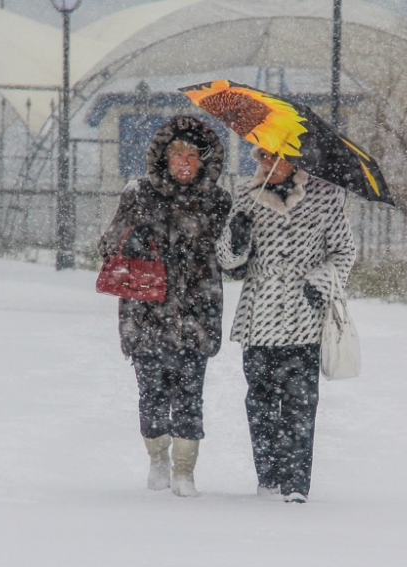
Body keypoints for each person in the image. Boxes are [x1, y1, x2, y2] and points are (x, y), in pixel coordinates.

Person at [97, 115, 231, 497]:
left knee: (190, 394)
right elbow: (107, 244)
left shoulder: (218, 201)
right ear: (164, 158)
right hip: (146, 316)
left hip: (196, 315)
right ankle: (158, 458)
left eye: (192, 155)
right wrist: (130, 240)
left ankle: (184, 470)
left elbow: (234, 263)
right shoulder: (138, 195)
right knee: (152, 393)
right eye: (177, 155)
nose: (185, 163)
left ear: (204, 160)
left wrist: (236, 240)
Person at [216, 146, 356, 503]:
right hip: (259, 315)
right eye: (262, 156)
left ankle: (295, 484)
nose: (268, 164)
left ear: (295, 160)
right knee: (260, 403)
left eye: (276, 157)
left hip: (303, 316)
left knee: (300, 404)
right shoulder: (248, 196)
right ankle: (268, 478)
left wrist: (320, 281)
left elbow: (344, 252)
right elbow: (228, 262)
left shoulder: (324, 196)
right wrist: (236, 238)